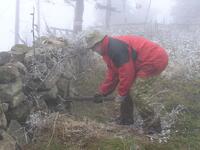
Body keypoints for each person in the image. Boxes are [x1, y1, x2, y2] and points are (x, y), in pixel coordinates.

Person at [85, 31, 168, 127]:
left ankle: (153, 126)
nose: (93, 51)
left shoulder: (115, 49)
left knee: (138, 93)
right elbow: (113, 74)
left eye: (93, 48)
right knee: (126, 90)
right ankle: (126, 120)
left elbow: (127, 73)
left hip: (154, 59)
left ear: (99, 43)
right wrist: (102, 92)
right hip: (142, 61)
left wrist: (121, 94)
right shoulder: (108, 51)